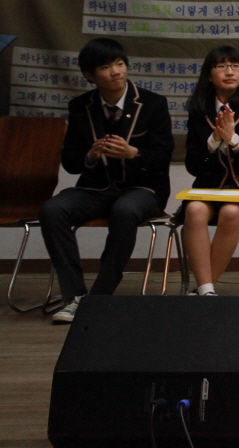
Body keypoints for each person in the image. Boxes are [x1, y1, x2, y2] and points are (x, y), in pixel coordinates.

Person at [40, 38, 173, 324]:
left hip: (143, 189)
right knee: (52, 209)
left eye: (120, 64)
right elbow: (70, 161)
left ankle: (99, 296)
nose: (116, 71)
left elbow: (163, 156)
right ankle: (74, 296)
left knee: (124, 210)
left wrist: (133, 153)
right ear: (89, 75)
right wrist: (89, 156)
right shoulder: (81, 106)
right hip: (95, 188)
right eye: (106, 67)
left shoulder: (152, 103)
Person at [179, 45, 239, 296]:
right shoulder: (199, 112)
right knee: (194, 210)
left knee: (231, 213)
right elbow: (192, 165)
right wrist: (213, 141)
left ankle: (203, 289)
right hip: (211, 188)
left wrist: (234, 140)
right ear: (209, 75)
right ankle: (207, 290)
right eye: (222, 66)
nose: (230, 72)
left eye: (235, 66)